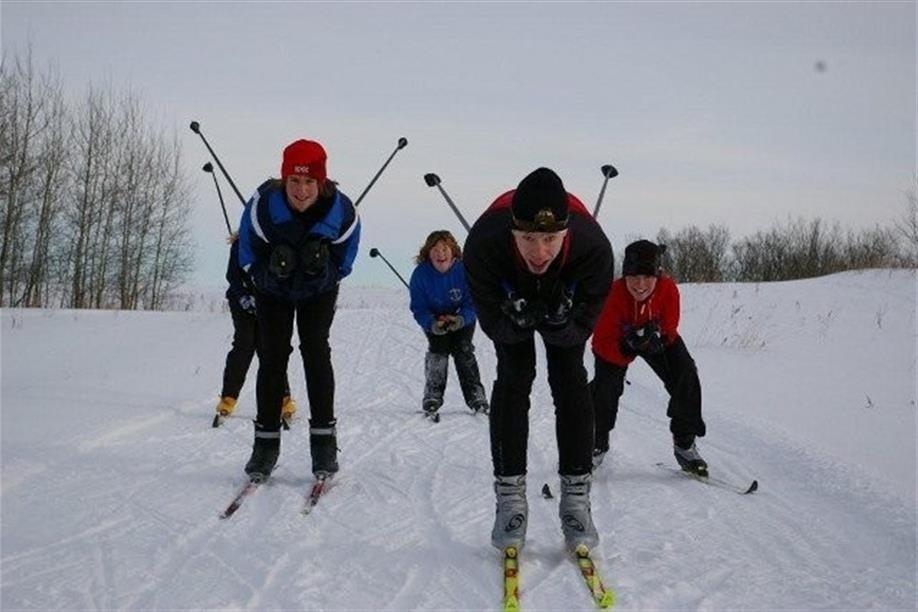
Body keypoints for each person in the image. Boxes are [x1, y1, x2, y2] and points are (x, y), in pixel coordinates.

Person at [463, 167, 614, 553]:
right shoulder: (484, 244)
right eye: (529, 237)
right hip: (507, 286)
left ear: (565, 233)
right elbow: (494, 325)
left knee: (569, 377)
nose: (540, 250)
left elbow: (582, 328)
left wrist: (561, 322)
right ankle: (510, 501)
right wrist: (514, 321)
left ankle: (576, 502)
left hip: (568, 285)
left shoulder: (594, 249)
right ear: (514, 231)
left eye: (550, 238)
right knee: (515, 375)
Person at [237, 138, 360, 482]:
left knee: (315, 351)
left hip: (316, 292)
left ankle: (324, 442)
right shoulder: (262, 208)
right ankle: (265, 445)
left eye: (309, 182)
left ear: (321, 182)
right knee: (272, 355)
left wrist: (320, 269)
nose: (301, 190)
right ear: (284, 180)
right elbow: (246, 254)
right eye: (294, 181)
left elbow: (345, 260)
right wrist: (270, 271)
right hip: (272, 291)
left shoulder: (342, 212)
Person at [590, 239, 707, 475]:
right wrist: (625, 347)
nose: (640, 284)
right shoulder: (611, 295)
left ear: (658, 275)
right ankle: (595, 443)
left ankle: (684, 443)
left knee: (686, 373)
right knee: (605, 388)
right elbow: (602, 342)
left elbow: (671, 327)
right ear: (625, 276)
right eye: (634, 277)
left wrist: (658, 338)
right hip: (617, 343)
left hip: (655, 339)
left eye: (647, 277)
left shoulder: (668, 290)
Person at [214, 235, 296, 425]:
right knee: (244, 343)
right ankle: (228, 398)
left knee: (270, 348)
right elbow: (232, 275)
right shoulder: (241, 244)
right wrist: (243, 297)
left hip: (269, 300)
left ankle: (284, 400)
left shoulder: (277, 240)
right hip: (242, 300)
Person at [409, 230, 489, 420]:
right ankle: (432, 397)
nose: (440, 254)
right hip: (435, 319)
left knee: (463, 350)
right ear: (427, 253)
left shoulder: (465, 270)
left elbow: (474, 302)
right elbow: (419, 308)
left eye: (444, 249)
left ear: (453, 251)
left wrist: (460, 319)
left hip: (462, 317)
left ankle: (476, 396)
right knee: (438, 350)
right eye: (435, 250)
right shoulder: (420, 275)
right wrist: (432, 323)